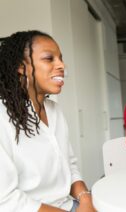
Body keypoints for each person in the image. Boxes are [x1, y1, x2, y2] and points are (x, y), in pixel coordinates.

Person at [0, 30, 96, 212]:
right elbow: (5, 201)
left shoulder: (54, 111)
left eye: (60, 58)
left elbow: (70, 164)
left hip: (69, 205)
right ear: (21, 67)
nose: (61, 65)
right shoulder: (1, 117)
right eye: (49, 58)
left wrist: (85, 199)